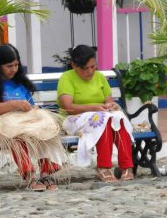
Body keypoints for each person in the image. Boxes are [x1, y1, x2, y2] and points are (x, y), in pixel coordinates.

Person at [0, 43, 66, 191]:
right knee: (17, 135)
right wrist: (14, 105)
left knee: (46, 129)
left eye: (16, 65)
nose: (14, 69)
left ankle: (46, 172)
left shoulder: (19, 83)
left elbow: (31, 105)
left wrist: (33, 109)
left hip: (22, 121)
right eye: (9, 66)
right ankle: (29, 176)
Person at [57, 45, 134, 183]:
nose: (90, 71)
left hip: (99, 116)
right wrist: (93, 107)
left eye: (93, 66)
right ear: (74, 65)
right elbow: (68, 107)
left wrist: (112, 106)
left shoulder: (100, 77)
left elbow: (108, 101)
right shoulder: (66, 78)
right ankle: (103, 167)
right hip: (73, 119)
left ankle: (126, 166)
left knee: (118, 117)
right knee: (103, 118)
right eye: (85, 68)